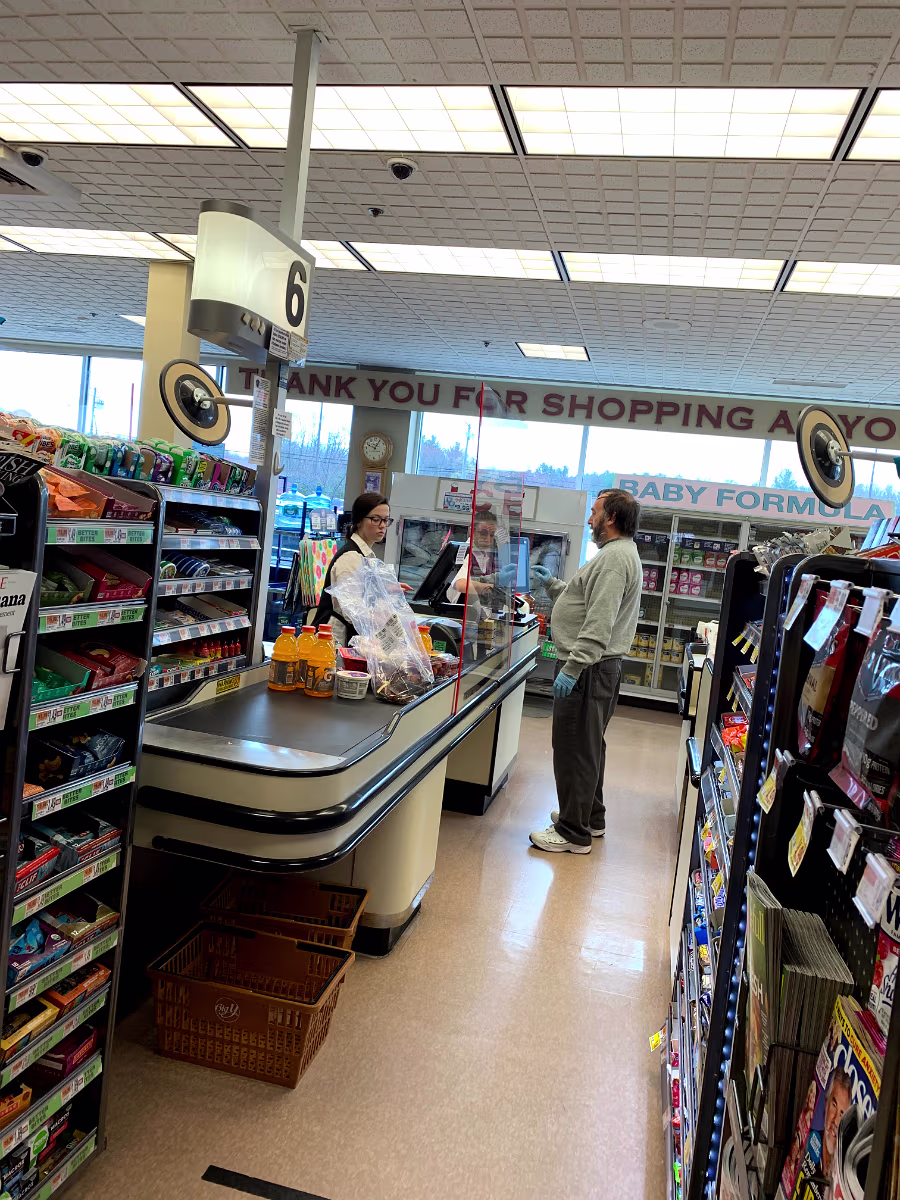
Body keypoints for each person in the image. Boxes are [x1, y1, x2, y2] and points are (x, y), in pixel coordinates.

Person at [528, 489, 642, 854]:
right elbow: (587, 601)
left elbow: (599, 621)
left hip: (589, 669)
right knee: (589, 747)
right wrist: (554, 586)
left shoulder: (614, 559)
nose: (589, 519)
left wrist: (573, 667)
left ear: (611, 517)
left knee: (574, 748)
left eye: (594, 512)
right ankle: (590, 816)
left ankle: (572, 831)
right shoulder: (617, 553)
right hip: (597, 668)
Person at [313, 492, 409, 645]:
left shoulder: (365, 555)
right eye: (375, 519)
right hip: (334, 640)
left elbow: (362, 592)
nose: (382, 525)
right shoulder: (351, 557)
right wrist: (384, 619)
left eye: (386, 520)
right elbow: (351, 610)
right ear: (358, 521)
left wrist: (386, 591)